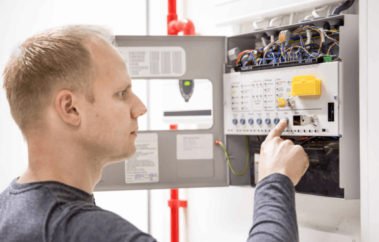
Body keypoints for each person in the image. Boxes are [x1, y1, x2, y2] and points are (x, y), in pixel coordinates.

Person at [0, 25, 309, 242]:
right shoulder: (86, 231)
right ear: (71, 108)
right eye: (122, 93)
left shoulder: (10, 210)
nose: (140, 107)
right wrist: (275, 181)